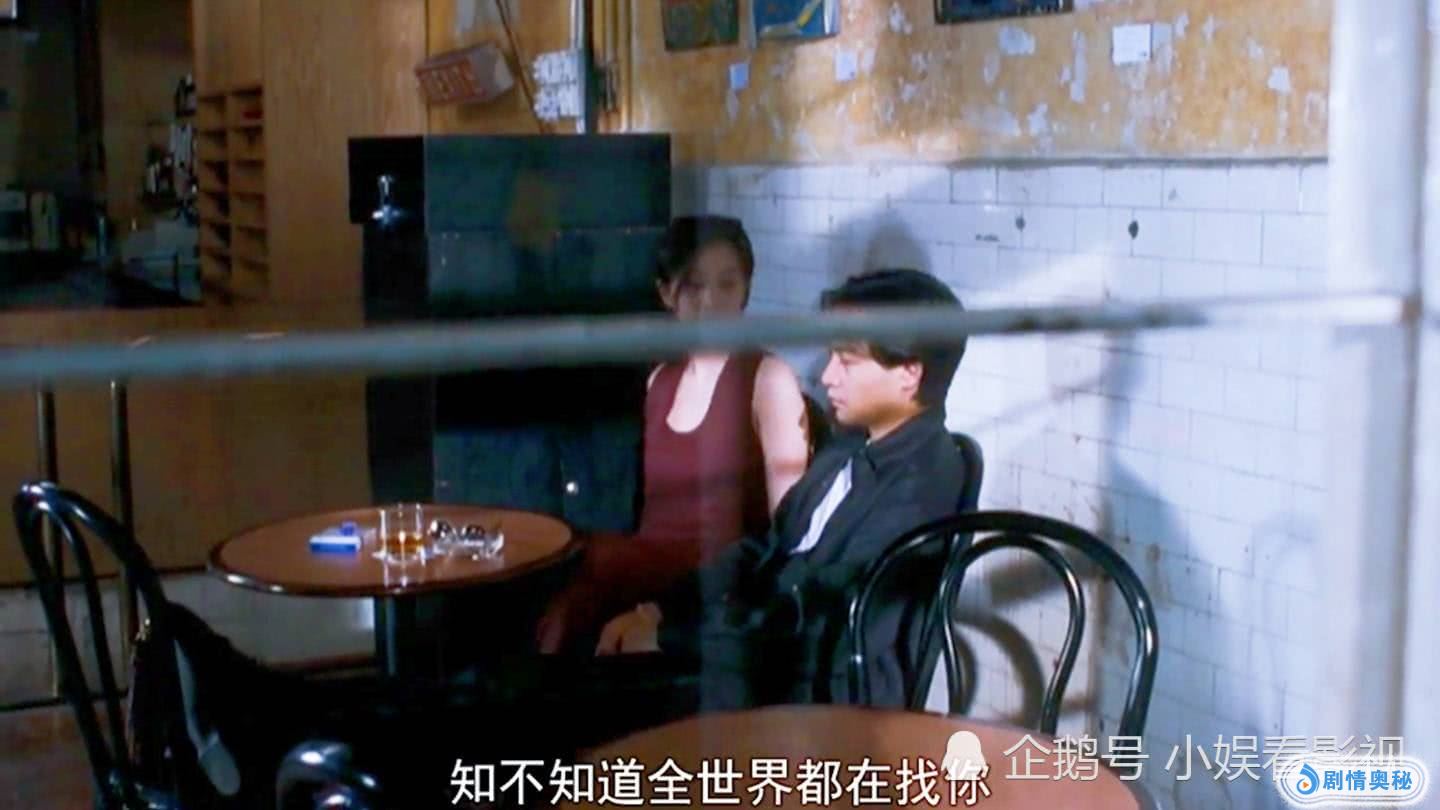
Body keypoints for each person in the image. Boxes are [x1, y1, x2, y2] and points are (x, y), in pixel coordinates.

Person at [595, 268, 975, 709]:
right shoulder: (852, 443)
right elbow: (766, 547)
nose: (827, 376)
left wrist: (669, 637)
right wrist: (663, 608)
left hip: (820, 697)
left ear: (909, 373)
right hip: (762, 656)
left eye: (847, 361)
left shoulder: (921, 484)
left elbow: (815, 626)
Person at [537, 215, 811, 653]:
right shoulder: (660, 381)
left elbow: (791, 531)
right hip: (644, 569)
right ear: (667, 293)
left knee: (584, 567)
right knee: (557, 569)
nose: (712, 302)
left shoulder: (768, 378)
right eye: (694, 286)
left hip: (711, 580)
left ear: (746, 290)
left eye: (727, 285)